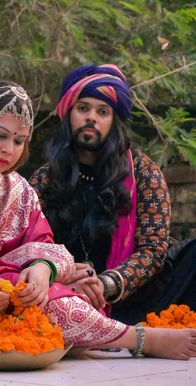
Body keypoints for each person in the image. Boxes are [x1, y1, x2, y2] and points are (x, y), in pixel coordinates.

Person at [0, 80, 195, 362]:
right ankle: (140, 339)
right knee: (47, 297)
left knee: (67, 285)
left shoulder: (14, 187)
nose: (8, 149)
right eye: (0, 134)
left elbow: (44, 245)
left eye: (19, 140)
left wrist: (42, 270)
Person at [29, 64, 196, 325]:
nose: (91, 118)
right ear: (68, 114)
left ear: (113, 121)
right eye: (83, 108)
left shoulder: (143, 173)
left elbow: (153, 250)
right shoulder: (45, 178)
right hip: (62, 292)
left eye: (102, 112)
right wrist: (68, 276)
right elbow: (28, 245)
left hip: (136, 297)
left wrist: (106, 284)